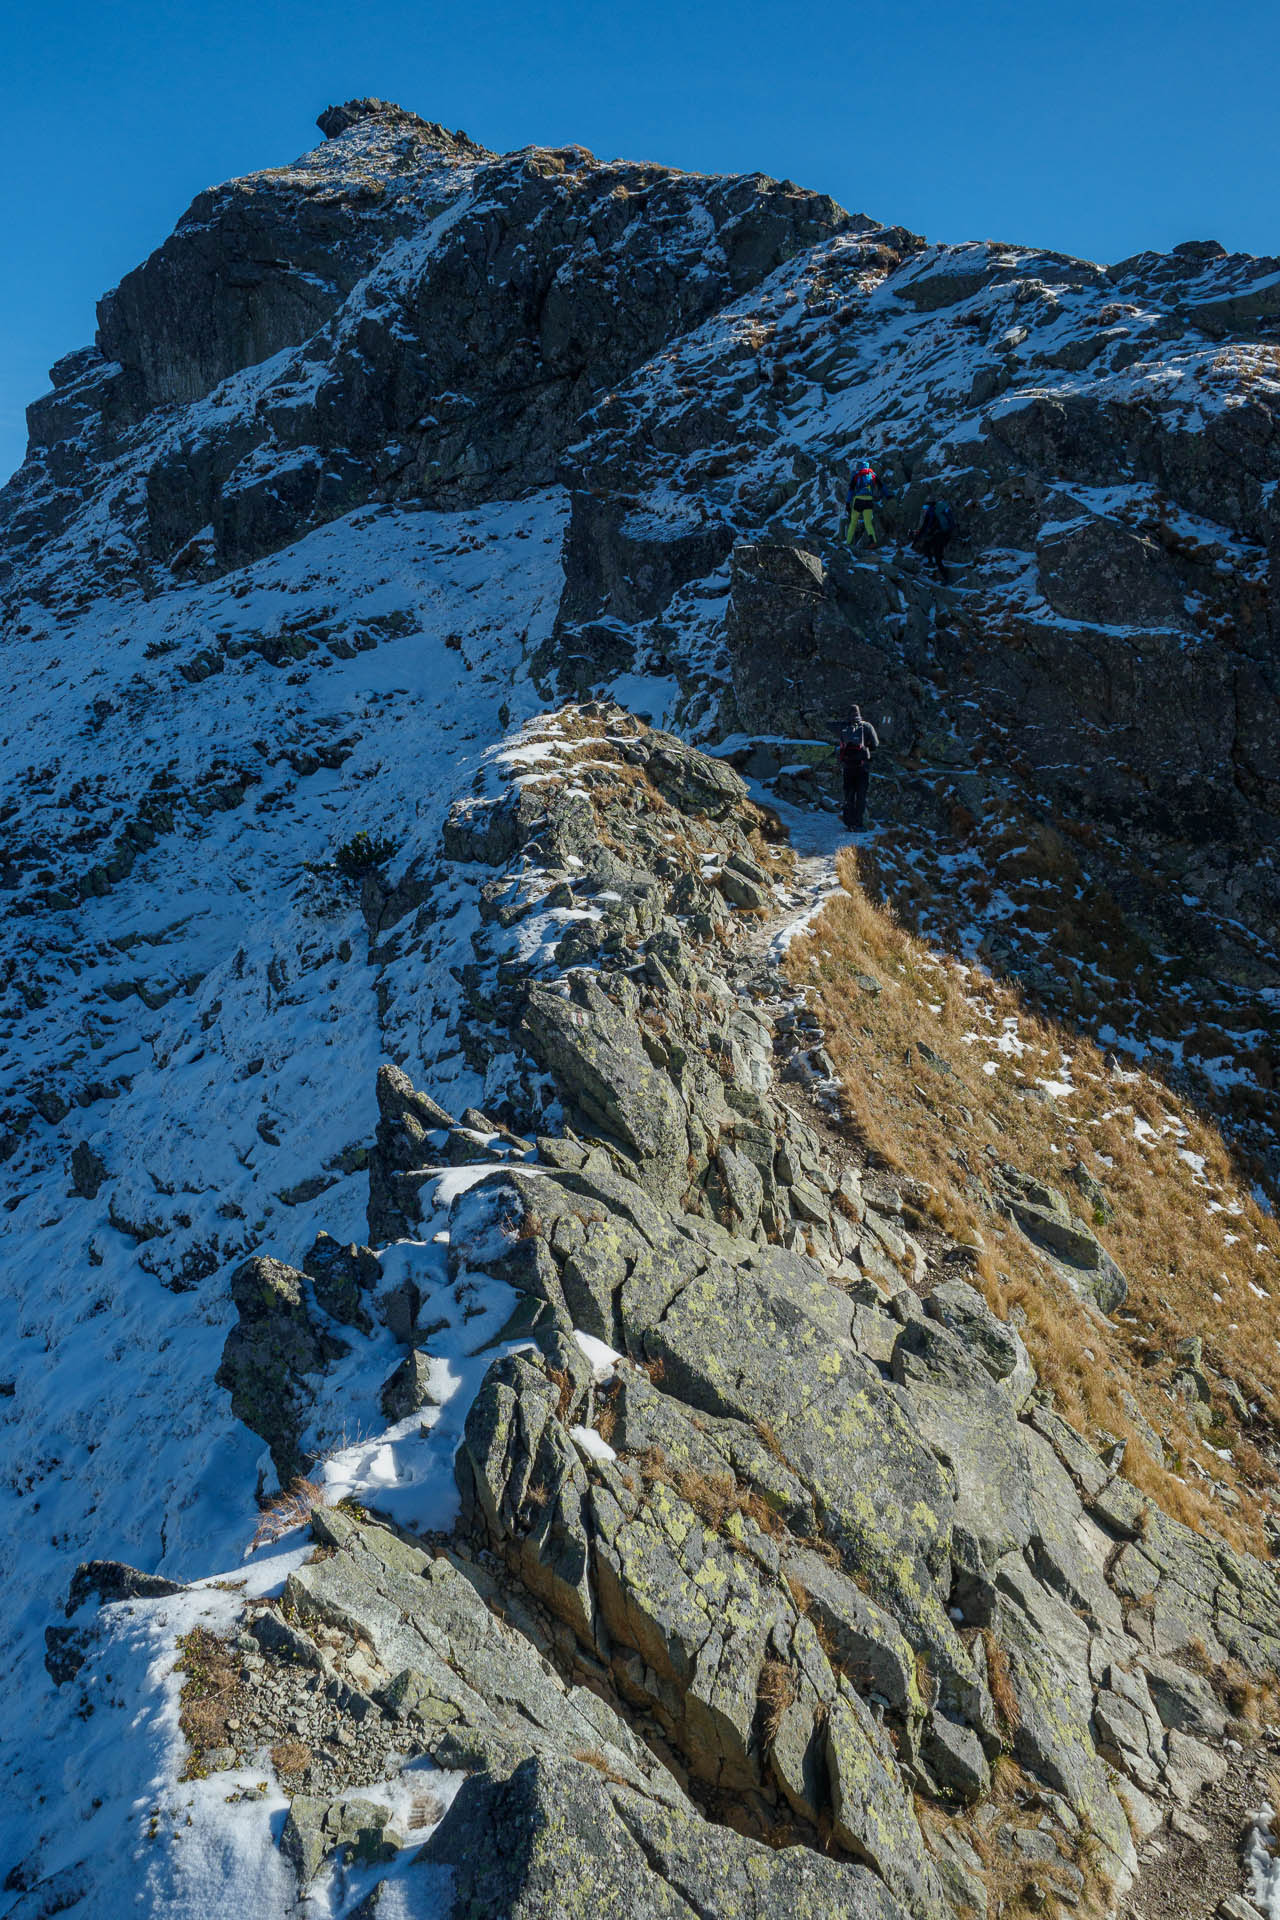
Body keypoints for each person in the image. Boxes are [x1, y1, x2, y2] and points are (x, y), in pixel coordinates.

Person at [836, 706, 879, 830]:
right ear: (859, 713)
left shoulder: (844, 726)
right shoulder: (867, 726)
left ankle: (849, 823)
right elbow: (876, 744)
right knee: (861, 796)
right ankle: (859, 824)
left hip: (848, 767)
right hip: (862, 767)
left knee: (849, 795)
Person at [842, 460, 889, 549]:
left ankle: (848, 543)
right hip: (869, 500)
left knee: (853, 523)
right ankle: (873, 542)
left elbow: (851, 490)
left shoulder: (856, 475)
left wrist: (848, 503)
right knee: (868, 523)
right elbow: (881, 486)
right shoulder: (872, 474)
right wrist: (888, 495)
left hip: (858, 500)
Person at [912, 499, 955, 580]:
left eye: (925, 507)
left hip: (940, 535)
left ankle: (945, 578)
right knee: (928, 545)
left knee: (937, 556)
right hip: (945, 533)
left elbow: (927, 526)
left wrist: (918, 535)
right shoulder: (937, 511)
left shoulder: (932, 514)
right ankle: (932, 562)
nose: (924, 509)